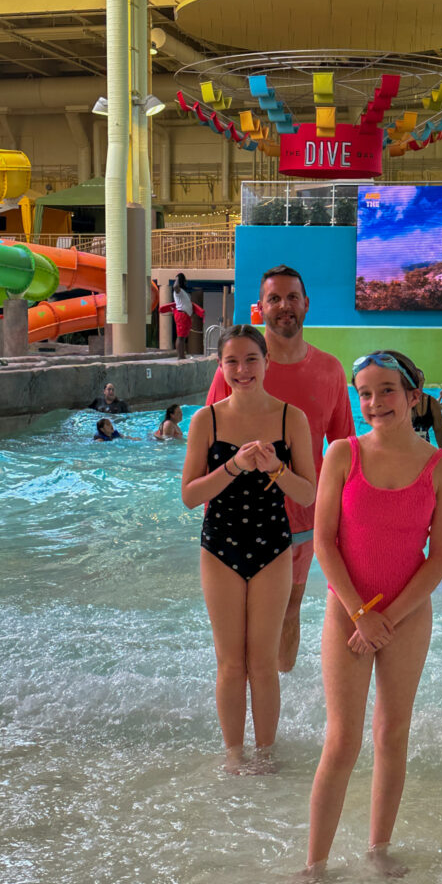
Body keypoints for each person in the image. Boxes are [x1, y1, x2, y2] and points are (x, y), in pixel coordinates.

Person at [284, 350, 442, 884]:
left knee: (392, 733)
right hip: (347, 612)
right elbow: (325, 543)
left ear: (413, 396)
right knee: (343, 738)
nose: (373, 403)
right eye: (364, 392)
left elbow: (440, 559)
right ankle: (315, 864)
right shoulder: (342, 455)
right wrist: (361, 613)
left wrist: (388, 618)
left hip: (406, 615)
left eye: (386, 391)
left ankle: (378, 848)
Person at [206, 265, 354, 672]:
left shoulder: (330, 370)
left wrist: (349, 517)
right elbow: (208, 444)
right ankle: (247, 702)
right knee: (239, 622)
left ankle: (277, 697)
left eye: (292, 297)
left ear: (306, 304)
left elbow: (344, 451)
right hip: (237, 518)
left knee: (289, 610)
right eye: (274, 298)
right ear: (259, 308)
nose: (284, 306)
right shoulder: (234, 370)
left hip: (303, 519)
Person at [183, 325, 316, 774]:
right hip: (219, 545)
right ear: (221, 368)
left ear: (267, 362)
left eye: (251, 360)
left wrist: (276, 468)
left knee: (262, 662)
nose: (242, 370)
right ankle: (234, 755)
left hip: (273, 546)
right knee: (230, 662)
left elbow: (308, 495)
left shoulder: (289, 418)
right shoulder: (208, 420)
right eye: (232, 362)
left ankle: (266, 755)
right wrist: (235, 465)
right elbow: (190, 494)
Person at [159, 272, 205, 360]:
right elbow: (175, 286)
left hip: (185, 316)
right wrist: (177, 278)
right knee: (180, 337)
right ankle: (180, 356)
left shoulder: (182, 292)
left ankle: (182, 355)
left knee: (183, 337)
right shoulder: (178, 291)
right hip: (181, 315)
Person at [411, 371, 442, 447]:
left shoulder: (432, 403)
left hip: (424, 447)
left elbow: (438, 430)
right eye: (415, 380)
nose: (418, 384)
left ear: (423, 382)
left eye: (420, 381)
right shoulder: (403, 401)